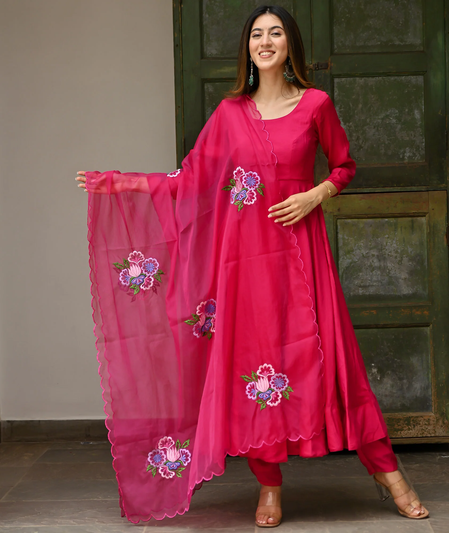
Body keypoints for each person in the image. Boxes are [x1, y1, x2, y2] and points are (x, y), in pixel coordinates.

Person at [76, 5, 429, 528]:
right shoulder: (228, 114)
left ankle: (390, 473)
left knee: (338, 365)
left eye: (276, 33)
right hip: (245, 268)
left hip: (303, 259)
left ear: (291, 46)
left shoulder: (315, 105)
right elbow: (189, 180)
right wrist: (121, 183)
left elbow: (344, 165)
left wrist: (316, 195)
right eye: (257, 35)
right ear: (247, 48)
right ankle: (268, 486)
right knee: (254, 370)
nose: (266, 42)